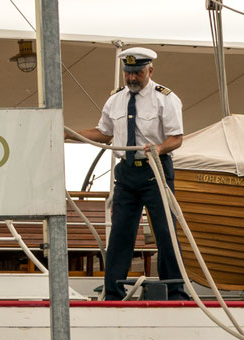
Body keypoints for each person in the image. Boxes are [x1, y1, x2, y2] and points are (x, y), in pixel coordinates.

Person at [77, 47, 185, 300]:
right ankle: (113, 293)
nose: (132, 78)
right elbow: (104, 133)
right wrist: (70, 133)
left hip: (155, 171)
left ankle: (175, 291)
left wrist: (158, 148)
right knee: (120, 234)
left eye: (137, 72)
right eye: (128, 73)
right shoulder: (115, 99)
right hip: (126, 173)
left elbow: (176, 138)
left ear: (150, 70)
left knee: (165, 232)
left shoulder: (165, 98)